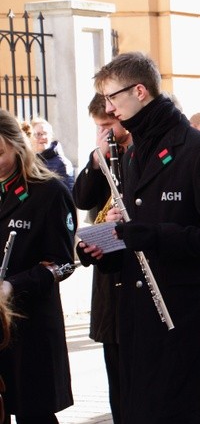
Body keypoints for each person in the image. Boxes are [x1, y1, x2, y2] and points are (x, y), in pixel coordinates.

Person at [77, 51, 200, 423]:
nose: (108, 108)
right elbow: (140, 236)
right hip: (140, 319)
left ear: (139, 91)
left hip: (187, 316)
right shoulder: (137, 152)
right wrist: (106, 250)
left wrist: (154, 235)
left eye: (112, 97)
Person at [0, 109, 77, 423]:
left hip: (30, 326)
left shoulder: (49, 193)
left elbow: (63, 264)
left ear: (18, 146)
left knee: (35, 413)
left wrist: (12, 285)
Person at [71, 93, 132, 423]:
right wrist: (96, 159)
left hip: (138, 275)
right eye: (99, 128)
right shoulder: (103, 157)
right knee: (117, 380)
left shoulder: (140, 154)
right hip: (110, 282)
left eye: (109, 125)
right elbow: (82, 199)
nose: (105, 133)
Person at [30, 117, 75, 191]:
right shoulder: (28, 161)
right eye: (38, 134)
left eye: (45, 133)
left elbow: (67, 194)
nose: (43, 137)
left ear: (51, 136)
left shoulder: (62, 163)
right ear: (31, 137)